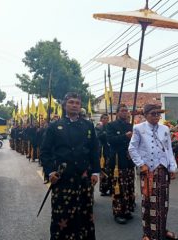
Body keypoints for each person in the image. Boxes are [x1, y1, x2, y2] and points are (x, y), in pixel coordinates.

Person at [40, 92, 100, 240]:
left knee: (84, 213)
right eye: (71, 102)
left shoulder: (88, 125)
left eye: (77, 103)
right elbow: (45, 152)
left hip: (83, 178)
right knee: (63, 213)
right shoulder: (55, 126)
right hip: (62, 178)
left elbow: (94, 150)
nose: (74, 105)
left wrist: (96, 172)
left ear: (80, 106)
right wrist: (50, 172)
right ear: (65, 105)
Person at [129, 104, 178, 240]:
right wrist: (141, 164)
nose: (156, 116)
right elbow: (132, 148)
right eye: (153, 113)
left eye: (158, 114)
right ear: (145, 115)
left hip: (162, 170)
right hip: (148, 172)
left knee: (163, 202)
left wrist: (172, 167)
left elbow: (169, 149)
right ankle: (148, 234)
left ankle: (161, 231)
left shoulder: (165, 129)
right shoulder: (138, 128)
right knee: (148, 202)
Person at [106, 104, 135, 224]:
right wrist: (124, 136)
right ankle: (118, 212)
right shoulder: (111, 125)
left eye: (126, 110)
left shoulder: (131, 126)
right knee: (119, 188)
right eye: (122, 110)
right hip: (118, 161)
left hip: (129, 160)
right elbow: (110, 140)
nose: (125, 112)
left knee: (128, 187)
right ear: (117, 113)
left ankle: (127, 210)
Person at [95, 113, 111, 196]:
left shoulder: (110, 127)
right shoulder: (98, 127)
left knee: (110, 170)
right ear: (101, 119)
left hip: (109, 150)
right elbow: (97, 136)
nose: (106, 120)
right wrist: (104, 133)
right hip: (102, 151)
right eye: (104, 118)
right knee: (103, 169)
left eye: (107, 118)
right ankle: (103, 189)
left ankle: (110, 187)